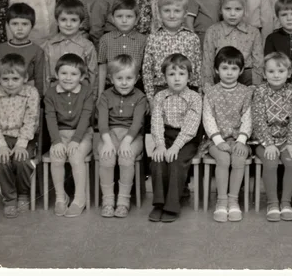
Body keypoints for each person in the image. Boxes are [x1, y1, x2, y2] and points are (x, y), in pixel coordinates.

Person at [201, 47, 254, 222]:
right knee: (223, 159)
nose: (229, 72)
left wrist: (241, 140)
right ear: (217, 70)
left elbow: (248, 118)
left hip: (239, 139)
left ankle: (233, 201)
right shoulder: (211, 92)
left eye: (234, 69)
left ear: (240, 71)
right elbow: (208, 118)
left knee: (238, 159)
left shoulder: (246, 92)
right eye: (224, 68)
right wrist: (217, 140)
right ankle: (221, 202)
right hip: (216, 140)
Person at [0, 54, 40, 218]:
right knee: (1, 162)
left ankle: (23, 193)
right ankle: (9, 199)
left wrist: (22, 143)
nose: (10, 83)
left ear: (25, 78)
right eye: (5, 79)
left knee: (22, 161)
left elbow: (31, 119)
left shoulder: (31, 93)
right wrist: (1, 145)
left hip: (25, 138)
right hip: (1, 137)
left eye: (15, 78)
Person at [149, 53, 202, 223]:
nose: (176, 79)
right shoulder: (160, 97)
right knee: (157, 160)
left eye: (182, 74)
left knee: (177, 161)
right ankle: (159, 203)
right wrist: (160, 145)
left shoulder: (194, 97)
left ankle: (172, 205)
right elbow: (156, 122)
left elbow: (190, 127)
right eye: (171, 74)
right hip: (165, 135)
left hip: (187, 139)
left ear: (189, 76)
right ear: (164, 77)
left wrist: (175, 147)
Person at [252, 52, 292, 222]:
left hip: (286, 139)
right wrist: (268, 143)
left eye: (281, 71)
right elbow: (258, 120)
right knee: (271, 161)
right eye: (271, 71)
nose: (276, 75)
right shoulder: (260, 91)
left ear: (288, 73)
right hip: (264, 140)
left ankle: (286, 203)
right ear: (264, 73)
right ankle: (272, 203)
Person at [96, 54, 147, 218]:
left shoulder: (140, 97)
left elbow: (137, 123)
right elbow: (102, 123)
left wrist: (126, 142)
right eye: (119, 78)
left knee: (126, 157)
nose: (124, 83)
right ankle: (108, 200)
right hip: (108, 135)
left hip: (132, 137)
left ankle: (123, 201)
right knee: (107, 157)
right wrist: (107, 142)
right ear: (111, 78)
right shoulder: (105, 96)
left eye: (129, 78)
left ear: (136, 78)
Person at [44, 53, 94, 217]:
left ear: (82, 76)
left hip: (83, 133)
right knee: (56, 155)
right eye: (63, 73)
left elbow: (86, 117)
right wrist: (56, 141)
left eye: (73, 74)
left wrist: (76, 140)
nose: (68, 78)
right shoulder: (51, 94)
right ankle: (61, 197)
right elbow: (50, 118)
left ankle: (79, 198)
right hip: (60, 134)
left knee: (75, 155)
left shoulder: (86, 92)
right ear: (57, 74)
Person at [142, 0, 201, 104]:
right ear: (159, 12)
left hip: (187, 90)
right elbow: (147, 70)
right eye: (167, 10)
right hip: (160, 90)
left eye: (177, 11)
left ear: (185, 14)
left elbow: (198, 69)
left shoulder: (192, 38)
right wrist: (150, 97)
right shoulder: (153, 38)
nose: (172, 15)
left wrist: (198, 95)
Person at [202, 0, 263, 88]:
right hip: (220, 78)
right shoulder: (212, 31)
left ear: (245, 10)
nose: (233, 14)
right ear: (221, 9)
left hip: (246, 80)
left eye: (238, 9)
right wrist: (207, 85)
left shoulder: (253, 32)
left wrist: (257, 86)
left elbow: (258, 62)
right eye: (228, 9)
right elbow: (208, 62)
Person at [43, 0, 97, 96]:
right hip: (56, 96)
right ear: (57, 21)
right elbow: (46, 76)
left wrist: (91, 97)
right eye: (63, 19)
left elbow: (93, 75)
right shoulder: (50, 45)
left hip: (80, 96)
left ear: (80, 23)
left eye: (73, 20)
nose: (68, 24)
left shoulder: (87, 46)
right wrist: (46, 98)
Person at [0, 3, 45, 95]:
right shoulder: (0, 49)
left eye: (24, 24)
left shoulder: (37, 51)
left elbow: (39, 78)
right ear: (8, 24)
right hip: (3, 94)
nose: (20, 28)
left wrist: (38, 99)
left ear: (32, 25)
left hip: (28, 96)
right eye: (15, 24)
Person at [98, 0, 147, 95]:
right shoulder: (105, 39)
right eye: (119, 16)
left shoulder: (143, 40)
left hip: (135, 87)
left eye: (129, 16)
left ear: (137, 19)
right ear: (112, 18)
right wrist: (100, 93)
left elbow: (145, 69)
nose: (124, 20)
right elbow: (102, 67)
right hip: (110, 86)